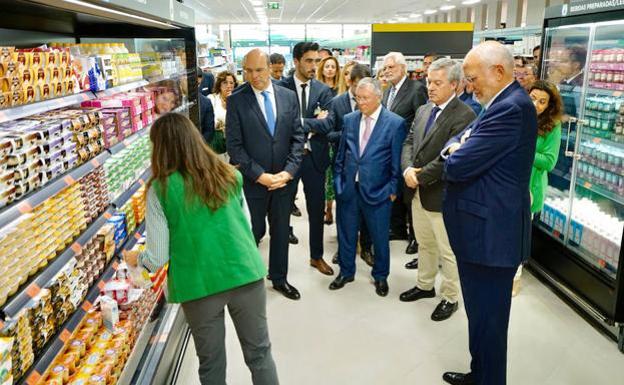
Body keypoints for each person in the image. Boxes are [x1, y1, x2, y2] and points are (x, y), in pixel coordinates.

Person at [123, 113, 279, 385]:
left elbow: (157, 256)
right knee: (260, 355)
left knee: (211, 364)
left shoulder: (160, 189)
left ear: (160, 148)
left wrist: (137, 259)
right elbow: (247, 223)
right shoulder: (229, 173)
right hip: (244, 271)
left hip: (199, 284)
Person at [440, 41, 537, 385]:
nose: (470, 86)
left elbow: (457, 163)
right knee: (480, 317)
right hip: (478, 235)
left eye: (472, 78)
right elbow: (452, 146)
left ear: (498, 71)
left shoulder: (511, 108)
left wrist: (457, 152)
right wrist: (456, 150)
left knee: (491, 324)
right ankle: (478, 373)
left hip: (492, 238)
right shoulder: (497, 105)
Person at [399, 58, 476, 321]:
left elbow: (450, 159)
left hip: (441, 193)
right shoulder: (423, 110)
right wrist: (408, 170)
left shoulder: (465, 115)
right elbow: (409, 142)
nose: (430, 87)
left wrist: (420, 177)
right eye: (429, 81)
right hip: (416, 190)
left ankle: (451, 297)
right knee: (425, 243)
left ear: (454, 85)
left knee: (448, 250)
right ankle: (424, 285)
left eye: (437, 83)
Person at [226, 49, 305, 300]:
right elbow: (235, 147)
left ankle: (279, 278)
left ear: (270, 68)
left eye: (259, 70)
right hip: (254, 182)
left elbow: (297, 138)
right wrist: (260, 176)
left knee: (281, 232)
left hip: (283, 181)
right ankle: (248, 279)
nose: (254, 76)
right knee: (253, 231)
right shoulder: (237, 100)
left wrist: (288, 172)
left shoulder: (288, 97)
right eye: (248, 71)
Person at [330, 77, 406, 297]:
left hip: (379, 191)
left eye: (365, 98)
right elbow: (341, 154)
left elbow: (396, 161)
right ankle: (346, 272)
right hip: (349, 189)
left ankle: (381, 276)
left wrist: (392, 190)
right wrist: (338, 182)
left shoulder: (394, 123)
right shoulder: (350, 119)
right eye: (357, 98)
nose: (360, 102)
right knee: (346, 233)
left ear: (378, 97)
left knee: (380, 237)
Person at [279, 41, 335, 277]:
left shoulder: (323, 90)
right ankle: (279, 267)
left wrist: (300, 123)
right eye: (309, 61)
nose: (314, 66)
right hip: (287, 159)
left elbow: (330, 123)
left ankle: (316, 256)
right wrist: (313, 124)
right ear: (296, 62)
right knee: (281, 213)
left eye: (316, 61)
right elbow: (279, 124)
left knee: (315, 210)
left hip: (314, 159)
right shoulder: (280, 88)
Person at [513, 80, 562, 296]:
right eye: (533, 98)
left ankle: (514, 279)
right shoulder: (517, 115)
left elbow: (549, 162)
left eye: (543, 102)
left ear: (550, 105)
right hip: (506, 184)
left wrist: (524, 145)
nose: (536, 104)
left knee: (517, 237)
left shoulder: (552, 126)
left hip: (529, 189)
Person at [381, 51, 427, 257]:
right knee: (396, 191)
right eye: (385, 68)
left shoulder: (416, 89)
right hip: (389, 151)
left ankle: (415, 238)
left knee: (409, 195)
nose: (387, 71)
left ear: (403, 68)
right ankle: (398, 229)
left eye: (391, 67)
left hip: (407, 151)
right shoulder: (387, 91)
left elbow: (422, 121)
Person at [327, 64, 374, 266]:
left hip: (369, 169)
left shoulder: (375, 103)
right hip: (345, 168)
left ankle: (366, 247)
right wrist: (350, 133)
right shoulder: (337, 103)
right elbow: (328, 133)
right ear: (350, 82)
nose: (361, 91)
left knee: (367, 211)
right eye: (358, 85)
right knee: (345, 212)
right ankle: (344, 248)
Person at [206, 70, 238, 158]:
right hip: (217, 145)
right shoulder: (212, 99)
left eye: (231, 83)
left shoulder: (238, 101)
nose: (229, 86)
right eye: (225, 83)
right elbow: (211, 121)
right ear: (219, 85)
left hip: (233, 144)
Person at [197, 68, 215, 144]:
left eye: (198, 84)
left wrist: (199, 146)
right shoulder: (173, 101)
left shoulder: (205, 102)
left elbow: (209, 130)